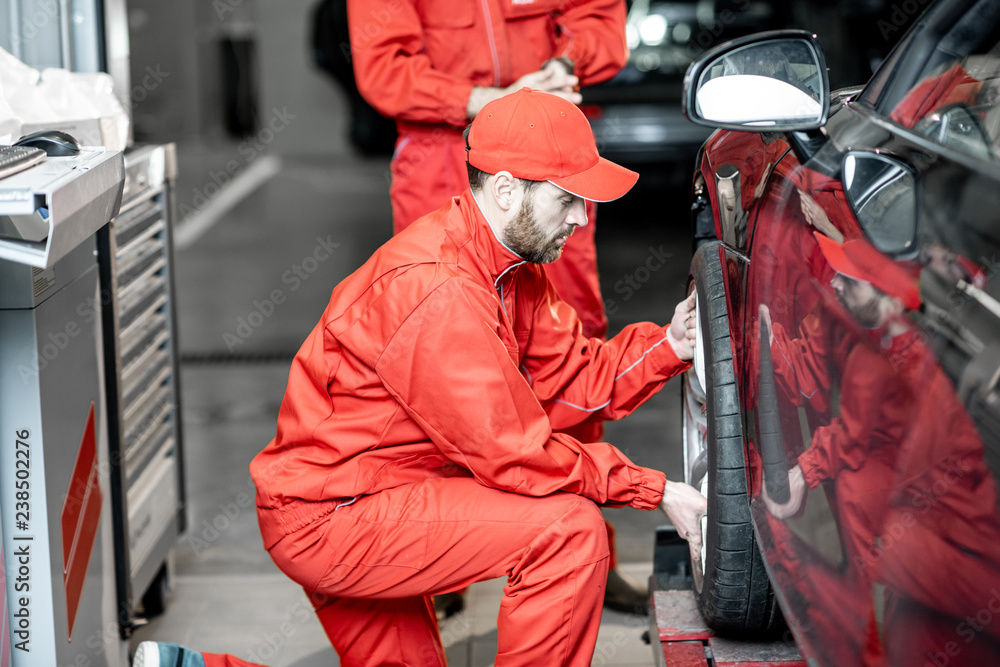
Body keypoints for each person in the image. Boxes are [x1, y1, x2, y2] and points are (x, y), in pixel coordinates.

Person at [249, 88, 706, 667]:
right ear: (508, 189)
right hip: (335, 513)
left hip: (377, 494)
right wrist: (654, 489)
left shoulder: (512, 271)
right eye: (567, 198)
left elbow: (575, 381)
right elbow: (514, 457)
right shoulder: (438, 289)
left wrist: (670, 345)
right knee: (568, 532)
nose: (581, 217)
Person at [346, 0, 647, 612]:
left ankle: (583, 541)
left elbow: (599, 19)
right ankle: (437, 565)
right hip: (444, 154)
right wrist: (482, 99)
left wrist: (566, 65)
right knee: (437, 367)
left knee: (569, 346)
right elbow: (384, 67)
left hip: (547, 160)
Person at [761, 233, 1000, 665]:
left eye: (849, 281)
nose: (834, 284)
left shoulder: (889, 365)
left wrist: (803, 472)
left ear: (889, 296)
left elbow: (853, 429)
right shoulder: (892, 336)